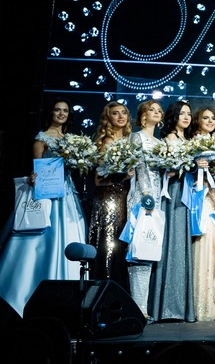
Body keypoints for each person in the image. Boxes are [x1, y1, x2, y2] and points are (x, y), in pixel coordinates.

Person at [0, 98, 88, 316]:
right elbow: (36, 166)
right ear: (51, 113)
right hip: (49, 193)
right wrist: (34, 176)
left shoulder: (72, 140)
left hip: (67, 194)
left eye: (65, 110)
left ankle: (69, 290)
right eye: (57, 110)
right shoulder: (41, 138)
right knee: (46, 237)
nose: (61, 114)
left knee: (69, 234)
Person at [148, 100, 196, 322]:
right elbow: (166, 169)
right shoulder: (169, 139)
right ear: (174, 116)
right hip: (174, 193)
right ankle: (166, 305)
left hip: (187, 192)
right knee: (173, 242)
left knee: (183, 243)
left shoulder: (190, 140)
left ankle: (180, 305)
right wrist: (176, 170)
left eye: (188, 114)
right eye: (181, 114)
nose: (186, 117)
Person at [125, 99, 165, 322]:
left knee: (149, 249)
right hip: (143, 197)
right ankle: (138, 308)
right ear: (143, 115)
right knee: (139, 250)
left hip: (157, 198)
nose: (157, 112)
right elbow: (139, 167)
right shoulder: (136, 137)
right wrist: (147, 196)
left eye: (159, 110)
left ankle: (143, 306)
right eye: (152, 109)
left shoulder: (159, 142)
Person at [89, 101, 133, 290]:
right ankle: (105, 286)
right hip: (109, 199)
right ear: (108, 117)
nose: (121, 116)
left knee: (122, 242)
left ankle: (122, 290)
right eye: (115, 113)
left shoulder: (131, 140)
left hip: (126, 197)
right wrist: (124, 176)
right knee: (109, 241)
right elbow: (99, 180)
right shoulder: (106, 142)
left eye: (124, 112)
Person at [189, 106, 215, 321]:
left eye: (213, 118)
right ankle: (202, 300)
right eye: (206, 118)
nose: (210, 121)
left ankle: (211, 298)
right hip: (199, 199)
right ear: (198, 120)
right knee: (208, 245)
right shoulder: (193, 143)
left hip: (212, 197)